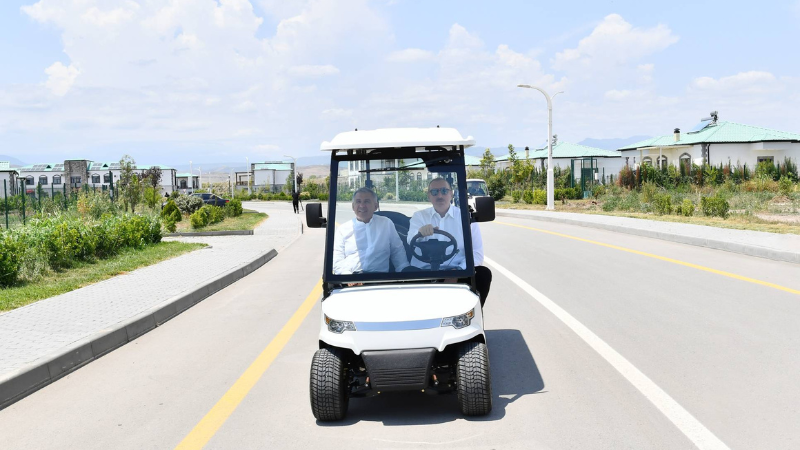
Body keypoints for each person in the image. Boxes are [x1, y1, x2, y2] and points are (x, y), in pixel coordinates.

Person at [408, 177, 492, 306]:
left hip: (457, 272)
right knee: (405, 274)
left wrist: (457, 271)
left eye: (444, 191)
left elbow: (477, 253)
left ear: (451, 193)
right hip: (423, 273)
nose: (440, 195)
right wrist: (420, 232)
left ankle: (473, 317)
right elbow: (410, 239)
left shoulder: (465, 218)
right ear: (429, 196)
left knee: (483, 273)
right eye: (435, 192)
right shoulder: (419, 216)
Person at [332, 187, 409, 275]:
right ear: (353, 207)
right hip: (351, 277)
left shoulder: (386, 223)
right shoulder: (343, 229)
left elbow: (397, 251)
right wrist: (347, 277)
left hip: (379, 279)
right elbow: (337, 260)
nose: (362, 205)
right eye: (358, 201)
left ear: (375, 206)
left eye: (367, 201)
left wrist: (404, 271)